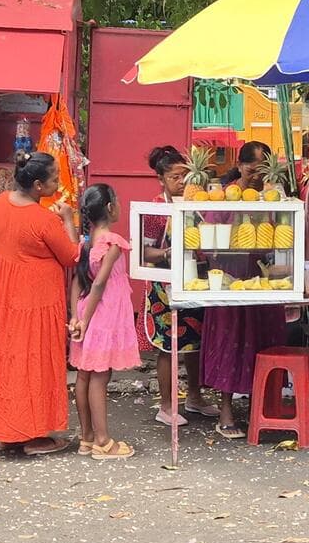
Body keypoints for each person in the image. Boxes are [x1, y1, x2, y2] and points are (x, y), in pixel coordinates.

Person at [0, 151, 80, 456]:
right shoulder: (45, 220)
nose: (58, 184)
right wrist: (67, 219)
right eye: (54, 179)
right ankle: (35, 436)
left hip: (4, 295)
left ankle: (5, 431)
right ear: (38, 186)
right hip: (38, 298)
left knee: (6, 357)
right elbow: (71, 256)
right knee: (35, 360)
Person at [201, 141, 286, 438]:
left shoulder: (273, 196)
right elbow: (207, 240)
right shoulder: (225, 196)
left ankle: (259, 407)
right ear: (240, 166)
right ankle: (225, 410)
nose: (257, 176)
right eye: (252, 170)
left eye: (263, 171)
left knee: (263, 341)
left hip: (265, 280)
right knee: (230, 341)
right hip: (231, 278)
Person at [138, 146, 219, 426]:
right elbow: (144, 252)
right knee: (169, 346)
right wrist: (166, 253)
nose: (182, 182)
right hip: (165, 286)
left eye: (185, 176)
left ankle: (194, 397)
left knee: (195, 343)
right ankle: (166, 406)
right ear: (160, 179)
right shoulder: (155, 209)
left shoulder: (197, 204)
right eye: (174, 177)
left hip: (195, 280)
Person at [68, 184, 139, 460]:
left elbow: (78, 281)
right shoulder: (112, 243)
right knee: (100, 376)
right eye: (117, 200)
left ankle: (86, 438)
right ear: (110, 208)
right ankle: (103, 442)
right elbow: (99, 284)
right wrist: (85, 320)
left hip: (86, 310)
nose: (120, 205)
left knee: (84, 375)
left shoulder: (86, 243)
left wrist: (75, 316)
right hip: (104, 315)